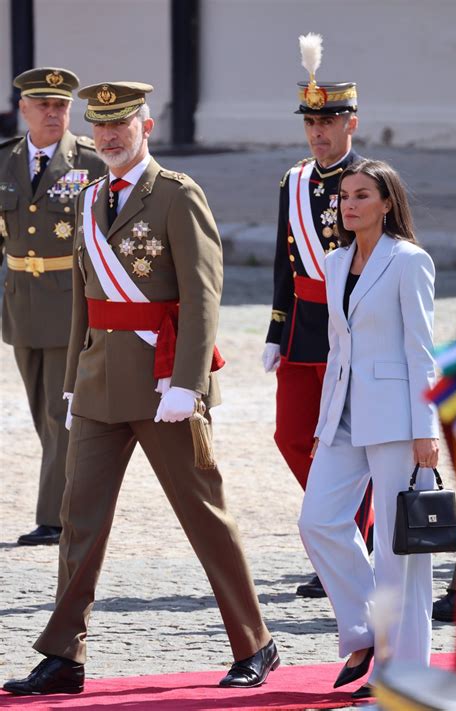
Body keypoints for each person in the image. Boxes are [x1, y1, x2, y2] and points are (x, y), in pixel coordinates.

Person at [2, 81, 278, 697]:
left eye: (122, 126)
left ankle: (254, 641)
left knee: (203, 514)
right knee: (79, 520)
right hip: (100, 384)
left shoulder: (178, 196)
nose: (109, 136)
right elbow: (83, 299)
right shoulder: (90, 195)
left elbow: (204, 294)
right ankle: (64, 654)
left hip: (163, 387)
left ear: (146, 127)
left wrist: (189, 384)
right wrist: (73, 379)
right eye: (101, 127)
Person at [298, 159, 439, 700]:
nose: (349, 204)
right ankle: (363, 630)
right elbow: (339, 348)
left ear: (387, 203)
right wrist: (324, 417)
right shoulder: (335, 263)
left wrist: (425, 428)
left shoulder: (410, 261)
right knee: (319, 521)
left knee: (399, 550)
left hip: (399, 417)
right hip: (344, 415)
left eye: (361, 195)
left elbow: (421, 351)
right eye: (344, 196)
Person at [262, 33, 373, 598]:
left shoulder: (370, 181)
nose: (317, 133)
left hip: (350, 325)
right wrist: (275, 330)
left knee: (348, 439)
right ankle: (343, 529)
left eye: (328, 122)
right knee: (292, 434)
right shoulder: (294, 179)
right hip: (305, 321)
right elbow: (286, 259)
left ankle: (348, 538)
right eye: (310, 123)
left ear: (351, 123)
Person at [0, 67, 105, 546]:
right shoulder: (6, 162)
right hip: (21, 304)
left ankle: (55, 517)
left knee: (61, 414)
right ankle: (73, 501)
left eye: (61, 105)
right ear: (22, 108)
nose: (53, 113)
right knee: (42, 413)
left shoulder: (89, 161)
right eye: (42, 104)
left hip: (70, 304)